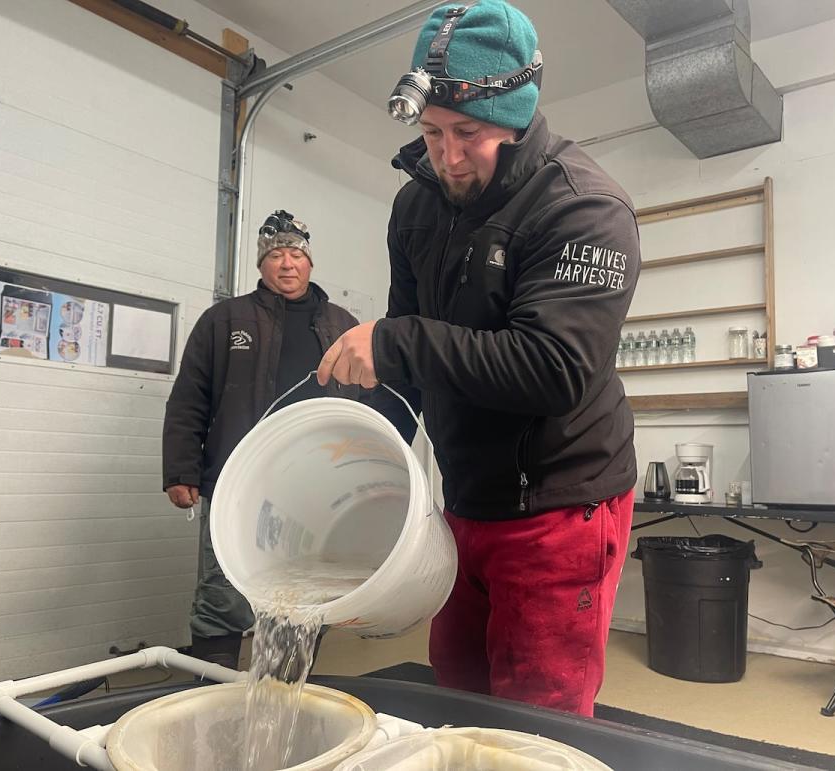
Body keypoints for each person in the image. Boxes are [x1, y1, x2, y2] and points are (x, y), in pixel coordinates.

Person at [317, 0, 640, 717]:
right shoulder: (417, 207)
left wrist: (395, 342)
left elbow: (554, 369)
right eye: (431, 132)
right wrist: (369, 469)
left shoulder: (584, 209)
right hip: (463, 500)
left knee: (535, 721)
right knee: (458, 693)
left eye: (469, 133)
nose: (448, 155)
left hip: (559, 503)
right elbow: (407, 346)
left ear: (519, 116)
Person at [163, 209, 362, 669]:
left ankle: (284, 693)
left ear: (310, 263)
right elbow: (189, 397)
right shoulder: (224, 320)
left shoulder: (342, 324)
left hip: (316, 491)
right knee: (223, 594)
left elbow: (364, 406)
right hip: (238, 484)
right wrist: (181, 470)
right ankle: (210, 695)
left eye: (296, 253)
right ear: (260, 265)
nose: (286, 263)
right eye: (275, 255)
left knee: (306, 593)